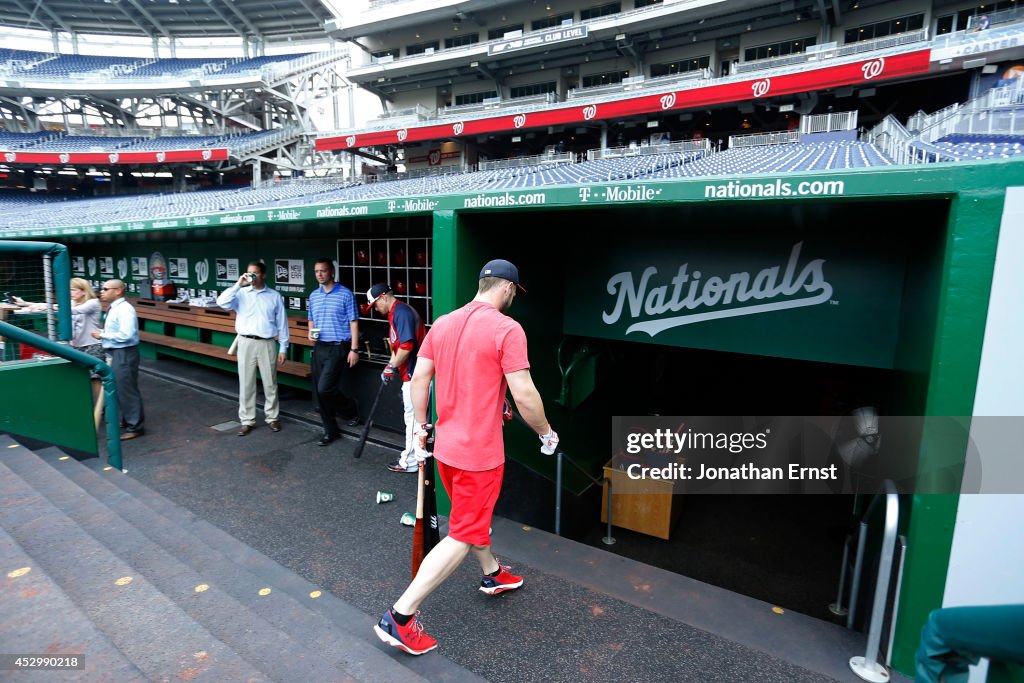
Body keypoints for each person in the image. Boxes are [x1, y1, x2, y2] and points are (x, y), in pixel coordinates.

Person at [373, 259, 560, 656]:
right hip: (480, 455)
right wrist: (546, 433)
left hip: (447, 449)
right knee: (461, 533)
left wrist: (421, 428)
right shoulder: (507, 328)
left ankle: (491, 574)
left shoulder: (443, 323)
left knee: (468, 519)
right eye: (513, 293)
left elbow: (420, 379)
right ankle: (401, 616)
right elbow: (525, 395)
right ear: (508, 289)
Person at [217, 261, 290, 436]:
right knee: (246, 383)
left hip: (267, 342)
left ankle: (272, 417)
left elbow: (282, 324)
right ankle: (247, 420)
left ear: (263, 275)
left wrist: (284, 347)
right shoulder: (241, 293)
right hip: (245, 342)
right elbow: (221, 302)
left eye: (255, 273)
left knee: (270, 383)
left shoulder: (274, 296)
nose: (251, 276)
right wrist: (237, 284)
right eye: (249, 273)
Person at [365, 283, 426, 473]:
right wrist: (389, 367)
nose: (375, 309)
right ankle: (415, 459)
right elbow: (398, 347)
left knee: (415, 420)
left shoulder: (401, 312)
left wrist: (392, 366)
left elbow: (407, 347)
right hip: (412, 375)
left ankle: (411, 462)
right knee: (414, 420)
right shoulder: (396, 313)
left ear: (383, 297)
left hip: (417, 376)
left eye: (375, 304)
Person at [307, 257, 360, 446]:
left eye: (323, 271)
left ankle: (350, 408)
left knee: (324, 388)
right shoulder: (314, 295)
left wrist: (354, 349)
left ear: (331, 272)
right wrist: (310, 333)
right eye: (316, 271)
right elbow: (311, 319)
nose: (320, 274)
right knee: (321, 391)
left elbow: (354, 322)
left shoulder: (345, 294)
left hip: (339, 346)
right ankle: (331, 431)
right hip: (320, 345)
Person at [91, 279, 144, 440]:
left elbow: (127, 335)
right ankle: (128, 420)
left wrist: (103, 335)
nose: (102, 291)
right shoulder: (114, 308)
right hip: (115, 351)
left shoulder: (125, 309)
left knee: (126, 389)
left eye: (106, 289)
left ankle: (135, 426)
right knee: (120, 387)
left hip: (124, 352)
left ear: (118, 291)